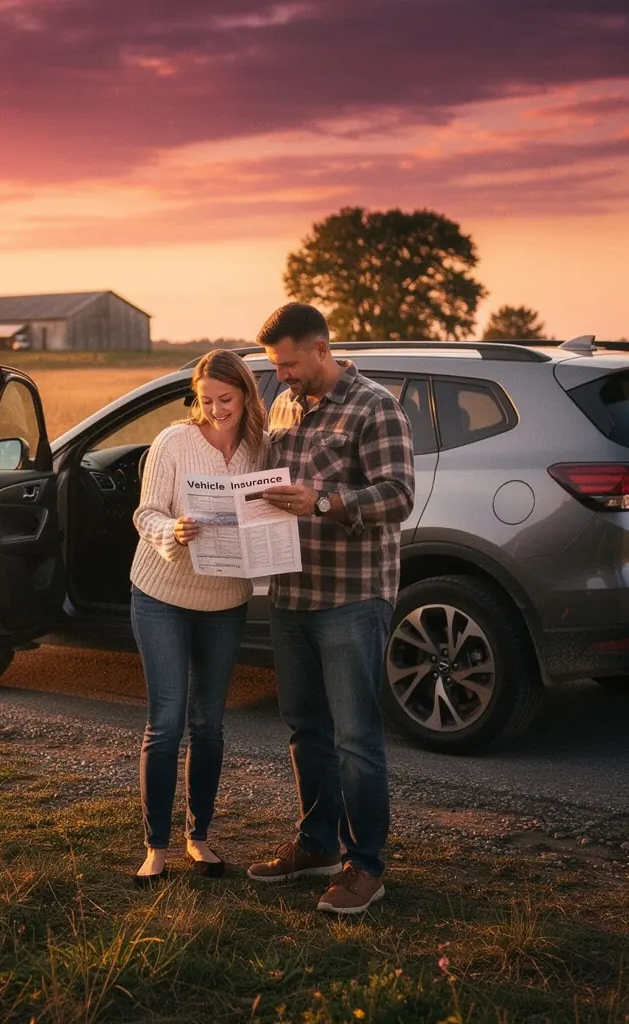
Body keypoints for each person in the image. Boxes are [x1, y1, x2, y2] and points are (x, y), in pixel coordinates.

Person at [247, 303, 415, 915]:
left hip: (351, 596)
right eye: (275, 366)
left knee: (356, 739)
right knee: (305, 731)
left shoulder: (375, 406)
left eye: (288, 364)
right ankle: (315, 846)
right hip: (291, 594)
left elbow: (398, 496)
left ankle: (365, 866)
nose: (281, 376)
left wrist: (321, 503)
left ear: (321, 348)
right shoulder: (288, 406)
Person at [129, 349, 268, 886]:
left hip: (225, 599)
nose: (215, 410)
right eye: (206, 400)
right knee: (166, 724)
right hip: (161, 592)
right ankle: (155, 847)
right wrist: (173, 531)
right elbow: (146, 513)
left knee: (209, 724)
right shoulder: (174, 441)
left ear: (246, 396)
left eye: (226, 400)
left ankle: (199, 835)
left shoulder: (261, 448)